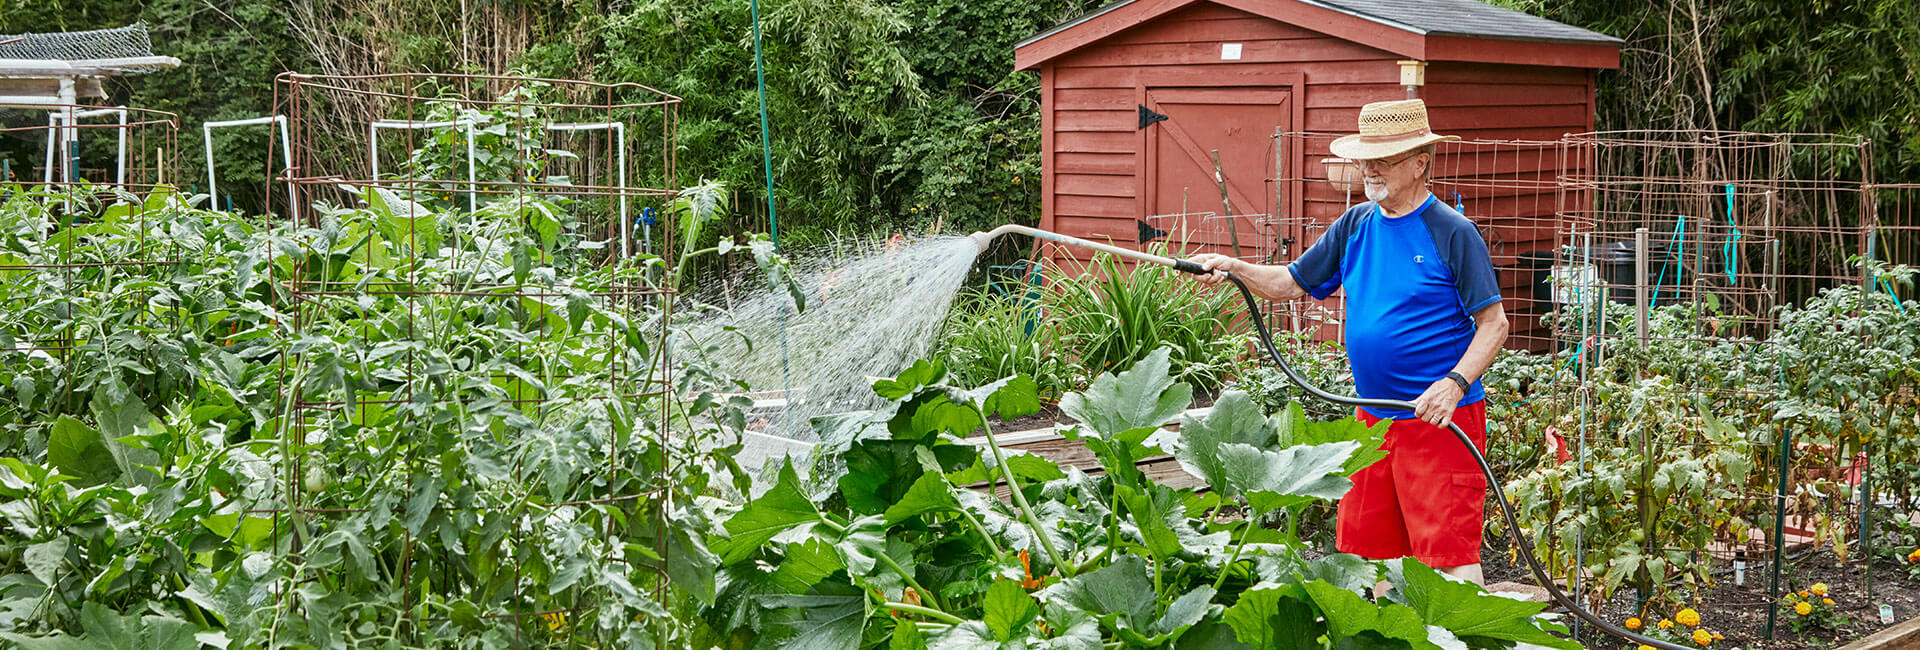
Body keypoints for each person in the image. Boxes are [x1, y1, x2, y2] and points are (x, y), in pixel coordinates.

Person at [1186, 99, 1508, 585]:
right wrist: (1236, 268)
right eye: (1365, 159)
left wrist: (1454, 384)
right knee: (1374, 555)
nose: (1371, 169)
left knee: (1447, 560)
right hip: (1372, 420)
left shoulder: (1452, 232)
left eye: (1384, 159)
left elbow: (1494, 323)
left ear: (1420, 162)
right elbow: (1291, 283)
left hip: (1440, 422)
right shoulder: (1355, 225)